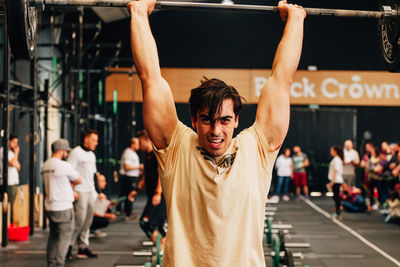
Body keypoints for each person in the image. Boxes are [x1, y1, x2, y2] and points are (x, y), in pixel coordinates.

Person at [127, 0, 305, 265]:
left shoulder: (256, 149)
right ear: (195, 120)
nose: (215, 130)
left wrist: (296, 19)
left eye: (224, 120)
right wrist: (139, 14)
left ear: (235, 121)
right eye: (207, 120)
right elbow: (149, 77)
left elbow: (282, 78)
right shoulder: (176, 148)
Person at [42, 139, 82, 267]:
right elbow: (79, 179)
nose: (66, 154)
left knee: (53, 235)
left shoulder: (45, 165)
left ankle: (51, 262)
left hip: (49, 206)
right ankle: (60, 264)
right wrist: (71, 186)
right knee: (65, 237)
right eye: (65, 151)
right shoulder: (63, 165)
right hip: (63, 206)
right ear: (60, 151)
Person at [67, 129, 105, 259]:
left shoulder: (92, 155)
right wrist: (72, 190)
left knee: (88, 221)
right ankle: (68, 246)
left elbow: (94, 175)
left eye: (97, 140)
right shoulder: (75, 153)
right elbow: (69, 172)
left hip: (90, 191)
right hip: (80, 191)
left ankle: (82, 247)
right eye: (94, 140)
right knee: (79, 220)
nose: (96, 143)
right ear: (86, 139)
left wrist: (99, 192)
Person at [128, 130, 166, 249]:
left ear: (147, 140)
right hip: (152, 196)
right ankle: (165, 250)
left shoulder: (156, 154)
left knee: (146, 223)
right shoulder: (147, 156)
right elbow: (145, 177)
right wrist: (136, 191)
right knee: (158, 226)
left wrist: (158, 193)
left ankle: (164, 250)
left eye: (140, 142)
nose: (139, 145)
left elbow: (162, 173)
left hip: (159, 196)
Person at [119, 137, 142, 220]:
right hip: (129, 178)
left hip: (133, 177)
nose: (139, 144)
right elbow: (127, 167)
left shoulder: (132, 153)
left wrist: (138, 171)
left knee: (130, 195)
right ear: (132, 144)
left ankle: (128, 211)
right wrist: (139, 167)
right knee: (130, 195)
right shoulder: (128, 152)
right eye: (137, 143)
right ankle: (128, 214)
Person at [0, 135, 21, 220]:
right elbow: (11, 163)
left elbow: (18, 166)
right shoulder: (3, 151)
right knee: (7, 205)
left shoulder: (11, 153)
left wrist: (15, 159)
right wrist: (16, 154)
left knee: (11, 205)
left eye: (17, 143)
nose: (16, 145)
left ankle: (9, 223)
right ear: (9, 141)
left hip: (14, 181)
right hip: (7, 182)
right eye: (14, 142)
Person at [327, 145, 344, 219]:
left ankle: (338, 212)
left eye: (331, 150)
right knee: (335, 196)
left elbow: (336, 171)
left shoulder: (337, 159)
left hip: (336, 181)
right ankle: (338, 210)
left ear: (335, 151)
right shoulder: (336, 159)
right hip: (335, 180)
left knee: (336, 197)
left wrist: (332, 181)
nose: (330, 152)